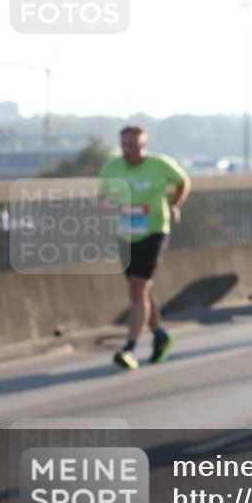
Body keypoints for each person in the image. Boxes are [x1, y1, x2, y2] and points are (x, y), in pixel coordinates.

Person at [99, 125, 191, 369]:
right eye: (125, 145)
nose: (129, 150)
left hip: (154, 231)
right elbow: (102, 197)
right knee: (141, 290)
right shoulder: (112, 167)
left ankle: (129, 348)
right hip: (126, 234)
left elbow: (183, 182)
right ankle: (160, 335)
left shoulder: (160, 165)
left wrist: (175, 204)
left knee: (137, 288)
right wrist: (109, 203)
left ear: (143, 145)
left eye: (134, 145)